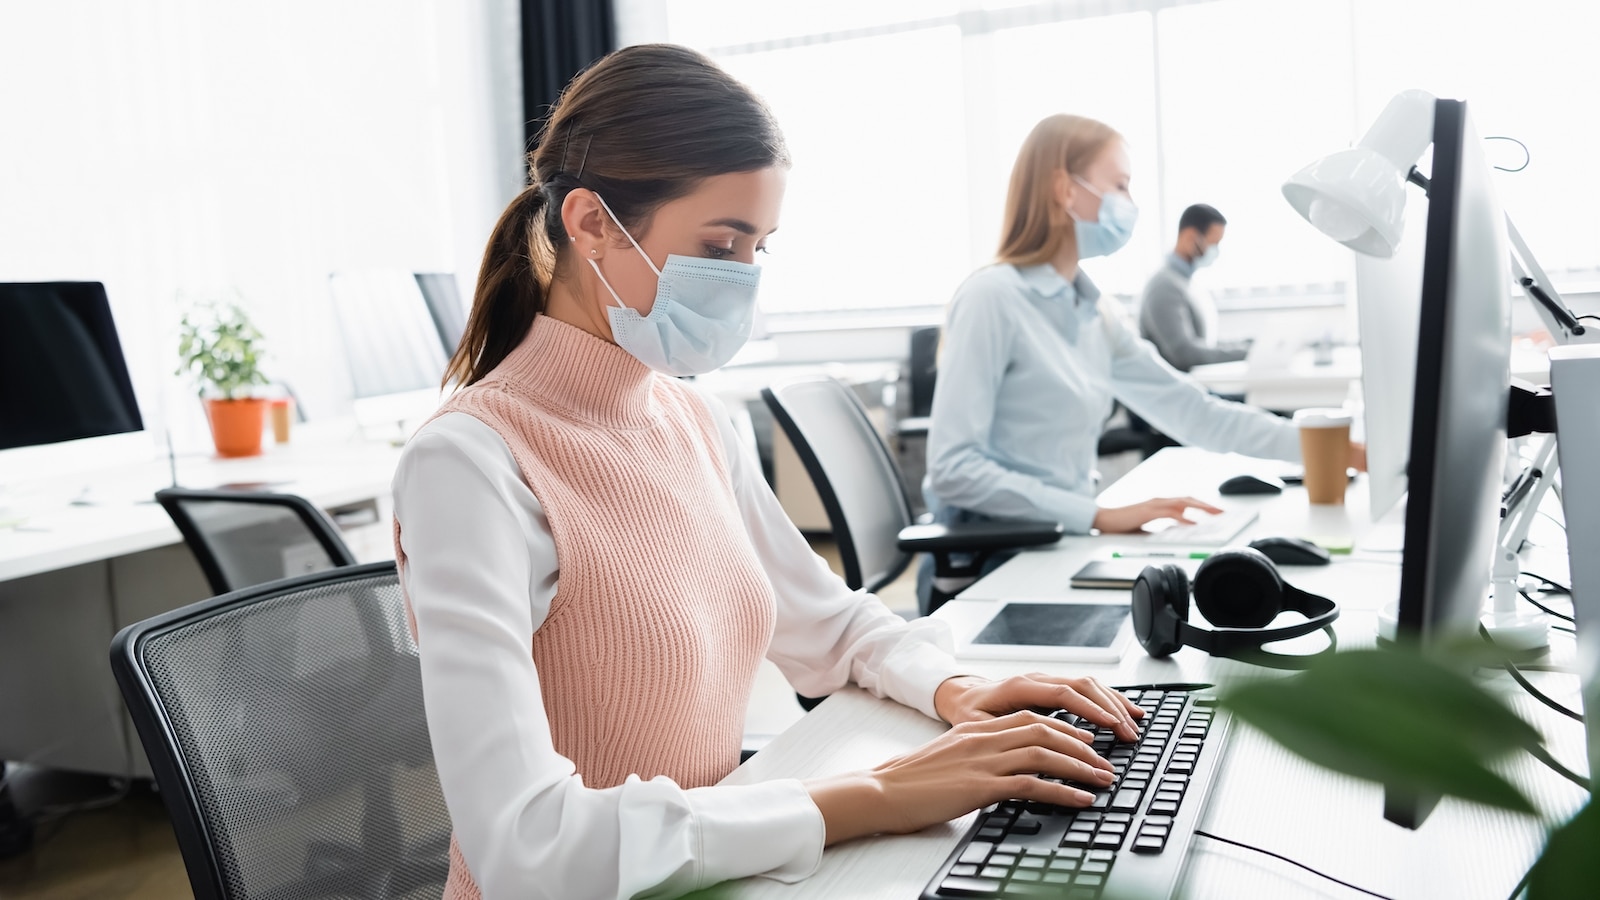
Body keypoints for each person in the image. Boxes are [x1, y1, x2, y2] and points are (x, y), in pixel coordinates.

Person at [393, 46, 1143, 900]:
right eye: (720, 243)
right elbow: (529, 851)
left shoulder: (697, 419)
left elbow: (832, 629)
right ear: (592, 222)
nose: (742, 278)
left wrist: (963, 688)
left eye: (759, 246)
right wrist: (878, 795)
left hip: (710, 875)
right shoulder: (470, 463)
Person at [922, 115, 1363, 611]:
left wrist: (1343, 451)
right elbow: (953, 469)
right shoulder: (992, 298)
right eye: (1120, 186)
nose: (1130, 206)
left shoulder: (1092, 313)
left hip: (1058, 544)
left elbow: (1196, 412)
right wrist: (1095, 513)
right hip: (989, 561)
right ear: (1065, 189)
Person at [1138, 203, 1252, 372]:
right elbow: (1184, 353)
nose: (1215, 251)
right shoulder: (1163, 286)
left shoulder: (1185, 282)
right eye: (1213, 243)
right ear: (1190, 237)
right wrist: (1247, 353)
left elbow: (1205, 343)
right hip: (1175, 391)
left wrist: (1248, 345)